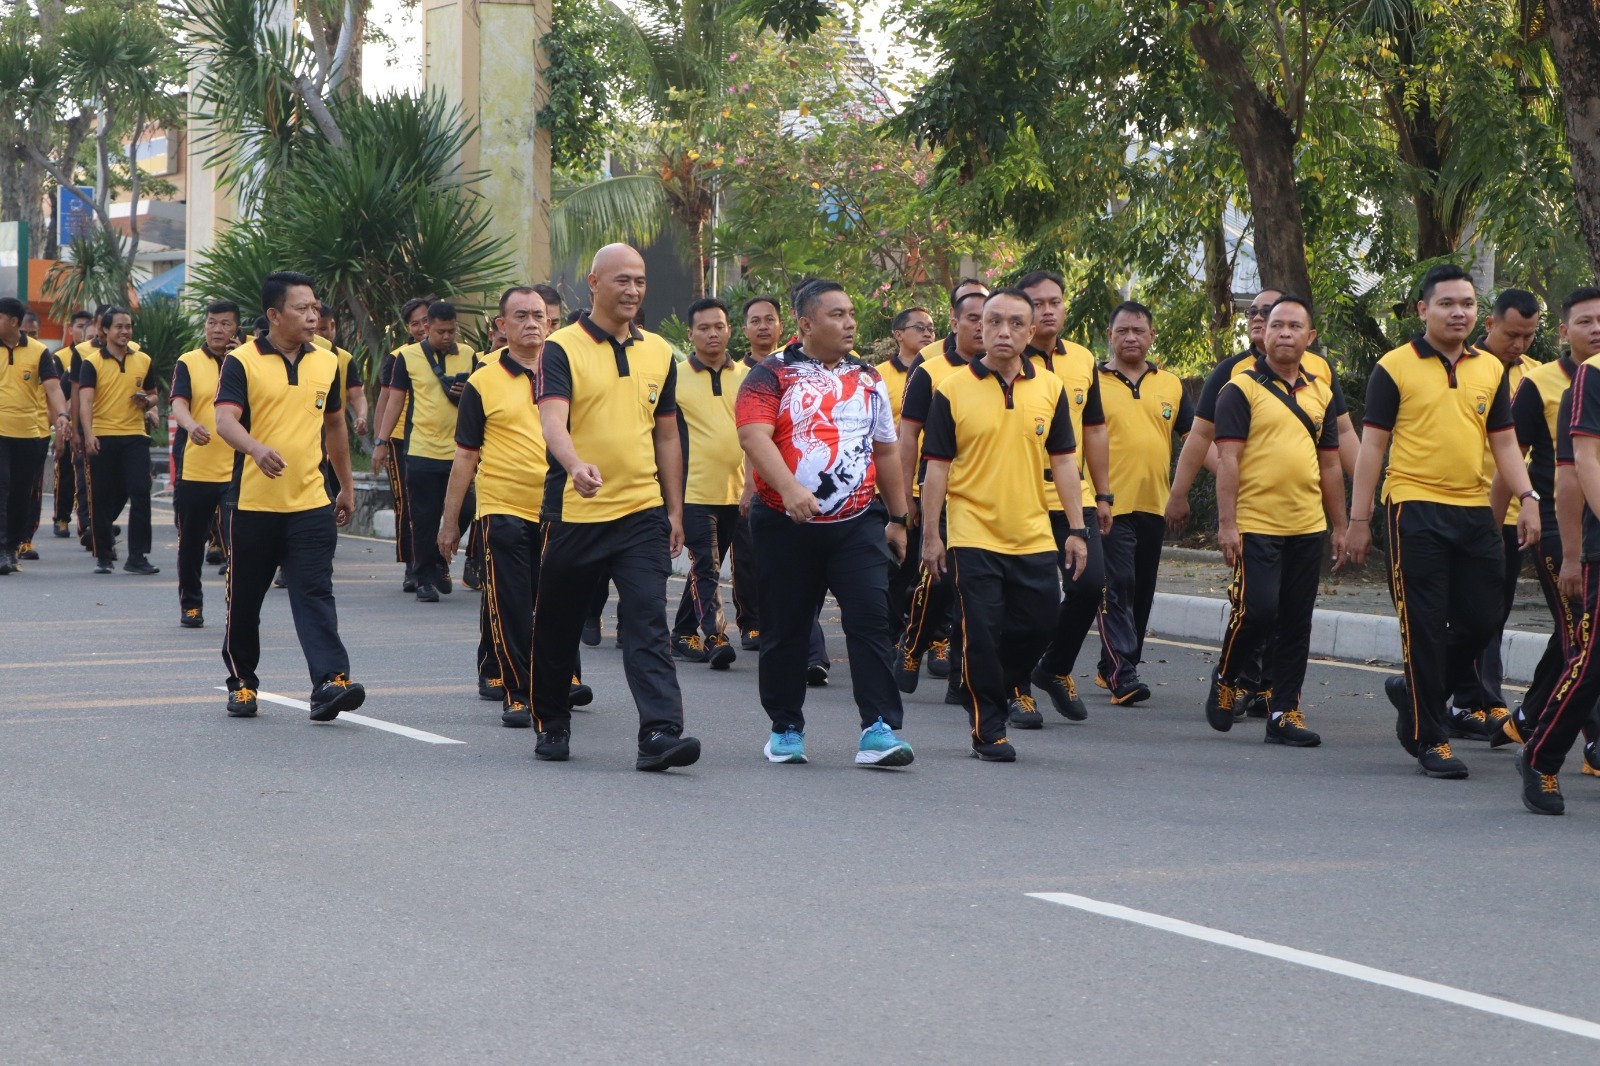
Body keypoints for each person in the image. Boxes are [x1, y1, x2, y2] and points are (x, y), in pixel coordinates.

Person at [1346, 265, 1539, 779]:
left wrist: (1528, 494)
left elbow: (1503, 441)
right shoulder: (1394, 366)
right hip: (1413, 507)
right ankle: (1428, 737)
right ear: (1422, 309)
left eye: (1468, 304)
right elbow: (1372, 448)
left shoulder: (1490, 370)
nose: (1459, 312)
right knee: (1425, 627)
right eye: (1448, 303)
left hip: (1474, 510)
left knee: (1482, 619)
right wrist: (1358, 520)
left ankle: (1414, 693)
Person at [531, 244, 702, 771]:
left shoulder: (659, 352)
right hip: (575, 515)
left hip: (641, 513)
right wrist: (576, 464)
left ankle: (660, 732)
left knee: (647, 622)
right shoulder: (560, 348)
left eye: (641, 281)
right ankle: (552, 722)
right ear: (594, 283)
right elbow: (552, 420)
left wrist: (674, 510)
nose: (633, 290)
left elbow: (667, 435)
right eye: (622, 280)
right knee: (558, 626)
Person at [737, 278, 914, 767]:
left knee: (870, 620)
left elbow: (886, 449)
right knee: (786, 629)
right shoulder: (770, 375)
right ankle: (786, 728)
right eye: (836, 314)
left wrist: (898, 518)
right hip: (783, 522)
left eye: (851, 312)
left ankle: (878, 730)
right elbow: (754, 437)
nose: (850, 322)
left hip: (857, 522)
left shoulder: (869, 377)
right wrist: (791, 489)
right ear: (806, 323)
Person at [919, 289, 1088, 761]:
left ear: (1031, 333)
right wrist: (932, 535)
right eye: (993, 322)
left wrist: (1077, 529)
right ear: (978, 328)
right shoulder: (951, 389)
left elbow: (1065, 463)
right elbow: (936, 467)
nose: (1002, 332)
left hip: (1032, 530)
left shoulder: (1050, 389)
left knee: (1039, 625)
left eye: (1016, 323)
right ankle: (988, 725)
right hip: (972, 532)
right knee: (981, 632)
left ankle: (1011, 681)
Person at [213, 271, 364, 722]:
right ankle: (241, 682)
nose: (313, 315)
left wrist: (346, 488)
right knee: (244, 600)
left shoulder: (328, 362)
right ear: (274, 315)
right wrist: (256, 449)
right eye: (302, 308)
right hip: (253, 506)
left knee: (315, 592)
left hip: (311, 504)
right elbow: (225, 421)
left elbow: (335, 426)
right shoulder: (241, 361)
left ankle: (330, 681)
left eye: (316, 307)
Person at [438, 286, 593, 726]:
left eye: (538, 315)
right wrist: (451, 524)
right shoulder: (482, 381)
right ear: (501, 327)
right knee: (511, 604)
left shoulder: (569, 375)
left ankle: (559, 681)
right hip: (502, 506)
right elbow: (465, 458)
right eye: (519, 316)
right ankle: (518, 692)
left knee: (556, 603)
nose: (531, 323)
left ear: (551, 323)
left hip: (560, 507)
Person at [1206, 295, 1347, 746]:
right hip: (1256, 522)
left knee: (1297, 620)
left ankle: (1284, 710)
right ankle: (1227, 677)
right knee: (1258, 609)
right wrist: (1227, 524)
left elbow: (1330, 466)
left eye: (1294, 327)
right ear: (1262, 334)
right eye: (1276, 325)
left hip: (1308, 527)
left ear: (1310, 337)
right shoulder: (1239, 389)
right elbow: (1228, 460)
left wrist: (1341, 525)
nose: (1284, 333)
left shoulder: (1321, 393)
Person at [1493, 287, 1600, 773]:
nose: (1596, 329)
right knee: (1582, 639)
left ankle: (1530, 716)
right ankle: (1584, 743)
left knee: (1574, 637)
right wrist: (1506, 519)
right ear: (1564, 331)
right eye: (1585, 321)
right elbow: (1509, 454)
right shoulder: (1542, 383)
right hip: (1558, 521)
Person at [1447, 289, 1541, 739]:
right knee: (1462, 612)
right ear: (1489, 325)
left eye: (1527, 336)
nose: (1519, 345)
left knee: (1494, 611)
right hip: (1462, 508)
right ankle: (1471, 700)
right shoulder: (1462, 368)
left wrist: (1530, 503)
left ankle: (1482, 698)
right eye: (1511, 334)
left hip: (1508, 517)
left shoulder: (1535, 378)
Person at [1017, 271, 1110, 726]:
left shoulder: (1083, 359)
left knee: (1091, 585)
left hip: (1076, 497)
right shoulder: (1008, 361)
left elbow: (1093, 428)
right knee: (1024, 602)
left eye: (1055, 301)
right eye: (1038, 303)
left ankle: (1053, 667)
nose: (1048, 310)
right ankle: (1015, 689)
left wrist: (1105, 492)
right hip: (1021, 497)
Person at [1095, 301, 1193, 704]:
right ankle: (1123, 673)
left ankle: (1113, 664)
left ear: (1152, 336)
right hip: (1107, 504)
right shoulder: (1091, 382)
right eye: (1123, 331)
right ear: (1110, 336)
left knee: (1143, 589)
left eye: (1139, 331)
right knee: (1117, 584)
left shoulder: (1171, 384)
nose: (1131, 337)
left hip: (1154, 503)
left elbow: (1193, 440)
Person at [894, 280, 988, 695]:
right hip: (941, 492)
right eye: (974, 319)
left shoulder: (1013, 370)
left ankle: (961, 678)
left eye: (994, 319)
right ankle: (914, 641)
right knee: (942, 579)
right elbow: (907, 436)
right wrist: (905, 500)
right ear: (955, 321)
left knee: (977, 590)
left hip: (992, 497)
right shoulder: (930, 369)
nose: (985, 328)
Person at [374, 301, 478, 602]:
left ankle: (439, 562)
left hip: (459, 451)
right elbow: (394, 401)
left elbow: (479, 397)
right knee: (424, 516)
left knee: (466, 508)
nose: (447, 336)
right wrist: (381, 442)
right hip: (420, 449)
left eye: (451, 331)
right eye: (440, 331)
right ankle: (423, 576)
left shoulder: (469, 355)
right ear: (427, 328)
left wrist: (466, 393)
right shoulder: (407, 357)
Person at [670, 297, 748, 670]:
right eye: (703, 327)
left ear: (729, 329)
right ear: (691, 334)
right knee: (707, 563)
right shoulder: (676, 377)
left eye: (718, 326)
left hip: (737, 489)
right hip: (694, 490)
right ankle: (715, 634)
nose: (712, 333)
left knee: (707, 569)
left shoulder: (748, 376)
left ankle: (682, 633)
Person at [170, 301, 243, 625]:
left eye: (225, 324)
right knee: (191, 543)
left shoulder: (248, 361)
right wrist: (190, 426)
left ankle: (237, 608)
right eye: (212, 323)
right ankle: (191, 604)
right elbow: (179, 403)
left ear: (236, 329)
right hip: (196, 469)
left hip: (236, 471)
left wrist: (241, 359)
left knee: (239, 546)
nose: (218, 329)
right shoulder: (188, 362)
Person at [726, 294, 790, 652]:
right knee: (747, 556)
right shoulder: (738, 374)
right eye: (756, 320)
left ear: (782, 325)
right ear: (745, 329)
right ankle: (750, 622)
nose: (763, 326)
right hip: (745, 478)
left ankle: (780, 621)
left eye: (770, 319)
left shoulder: (795, 367)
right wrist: (747, 481)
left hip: (791, 479)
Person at [78, 306, 160, 576]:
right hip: (103, 436)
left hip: (135, 436)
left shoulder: (144, 360)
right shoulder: (92, 362)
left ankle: (137, 556)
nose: (125, 331)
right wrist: (89, 434)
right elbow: (86, 401)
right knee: (101, 496)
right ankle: (103, 554)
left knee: (139, 493)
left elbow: (153, 395)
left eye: (128, 326)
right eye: (119, 327)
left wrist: (146, 402)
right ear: (105, 330)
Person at [0, 298, 69, 574]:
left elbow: (53, 388)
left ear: (14, 322)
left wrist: (62, 415)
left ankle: (13, 546)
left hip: (28, 434)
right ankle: (2, 549)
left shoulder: (40, 352)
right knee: (1, 487)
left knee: (20, 493)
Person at [881, 306, 934, 631]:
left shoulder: (937, 370)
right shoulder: (878, 375)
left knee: (928, 568)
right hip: (891, 488)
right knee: (895, 565)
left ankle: (927, 635)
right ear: (898, 334)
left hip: (931, 483)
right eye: (919, 327)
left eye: (931, 327)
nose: (928, 332)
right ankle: (891, 632)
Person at [374, 297, 431, 592]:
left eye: (426, 321)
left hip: (438, 441)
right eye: (415, 323)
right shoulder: (399, 356)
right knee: (407, 505)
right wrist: (379, 442)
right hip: (399, 440)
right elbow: (385, 399)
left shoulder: (457, 355)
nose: (422, 328)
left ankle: (433, 563)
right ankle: (412, 566)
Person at [49, 310, 92, 539]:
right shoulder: (62, 358)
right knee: (65, 473)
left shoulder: (96, 357)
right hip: (68, 423)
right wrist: (62, 423)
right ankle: (62, 517)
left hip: (91, 426)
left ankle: (88, 522)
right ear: (71, 329)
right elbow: (58, 392)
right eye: (80, 326)